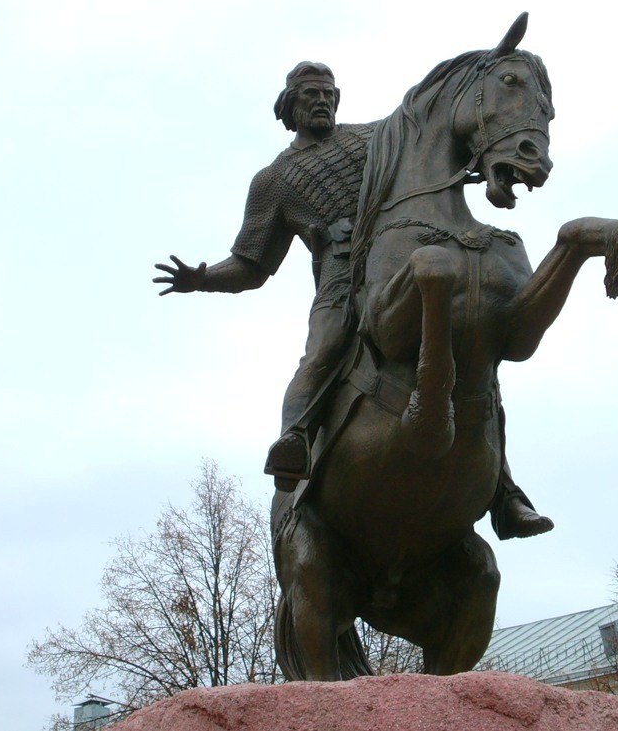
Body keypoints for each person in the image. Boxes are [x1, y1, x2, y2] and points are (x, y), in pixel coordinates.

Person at [153, 62, 552, 538]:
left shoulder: (373, 138)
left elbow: (436, 143)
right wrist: (203, 278)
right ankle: (296, 438)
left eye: (328, 93)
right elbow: (251, 265)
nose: (321, 101)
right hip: (342, 276)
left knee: (472, 345)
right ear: (288, 107)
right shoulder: (274, 180)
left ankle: (504, 492)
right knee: (324, 346)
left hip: (399, 254)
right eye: (309, 95)